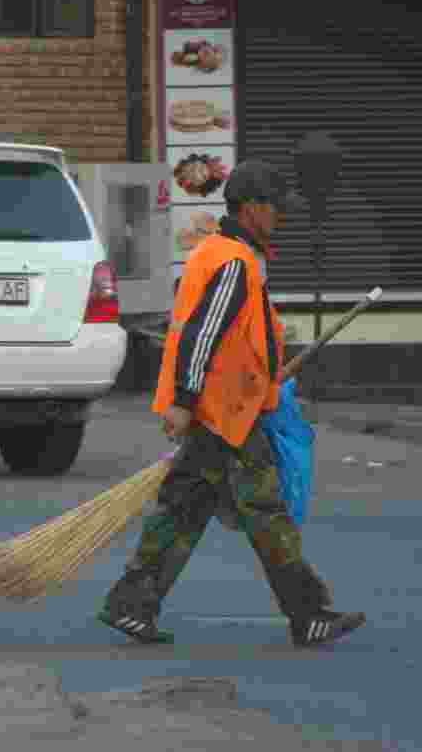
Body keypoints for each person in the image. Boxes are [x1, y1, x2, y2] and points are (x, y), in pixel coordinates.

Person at [98, 159, 365, 648]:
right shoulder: (233, 263)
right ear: (251, 209)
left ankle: (131, 605)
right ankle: (308, 615)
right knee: (263, 510)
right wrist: (183, 401)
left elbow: (238, 339)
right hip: (223, 415)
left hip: (228, 410)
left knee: (187, 509)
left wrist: (263, 383)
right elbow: (202, 336)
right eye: (274, 208)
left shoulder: (225, 254)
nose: (280, 217)